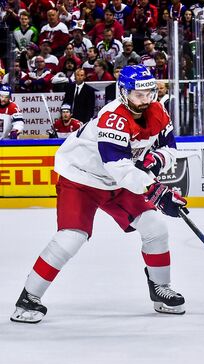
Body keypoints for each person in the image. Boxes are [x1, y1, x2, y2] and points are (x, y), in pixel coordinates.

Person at [10, 65, 187, 324]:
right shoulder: (112, 116)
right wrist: (156, 192)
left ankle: (161, 289)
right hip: (82, 178)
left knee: (155, 226)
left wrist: (157, 158)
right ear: (124, 92)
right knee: (71, 237)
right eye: (138, 95)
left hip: (118, 181)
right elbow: (117, 166)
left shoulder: (158, 110)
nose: (145, 100)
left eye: (149, 93)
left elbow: (170, 147)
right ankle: (29, 297)